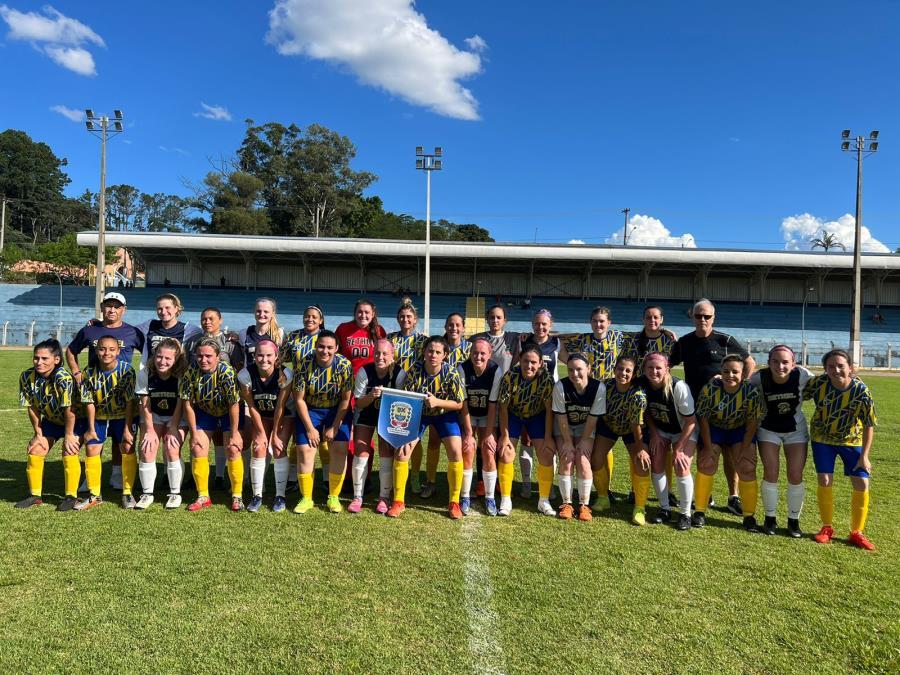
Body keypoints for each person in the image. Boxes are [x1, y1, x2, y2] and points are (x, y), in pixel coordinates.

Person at [669, 298, 755, 516]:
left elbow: (750, 362)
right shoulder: (684, 342)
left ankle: (733, 496)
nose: (703, 320)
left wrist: (738, 387)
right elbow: (666, 365)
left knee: (729, 453)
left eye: (707, 316)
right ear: (692, 317)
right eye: (698, 316)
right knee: (703, 449)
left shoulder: (725, 340)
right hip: (696, 407)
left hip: (727, 409)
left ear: (713, 318)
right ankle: (705, 494)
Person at [66, 291, 145, 491]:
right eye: (108, 306)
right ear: (102, 308)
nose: (112, 310)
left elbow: (148, 354)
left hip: (122, 393)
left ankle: (117, 475)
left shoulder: (133, 332)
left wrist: (144, 377)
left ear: (123, 310)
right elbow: (71, 349)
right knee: (93, 437)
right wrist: (76, 371)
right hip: (94, 393)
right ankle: (90, 478)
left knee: (122, 438)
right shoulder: (90, 330)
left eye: (116, 306)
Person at [804, 349, 877, 550]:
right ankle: (826, 528)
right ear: (825, 369)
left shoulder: (861, 390)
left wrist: (865, 457)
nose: (836, 370)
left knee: (862, 482)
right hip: (822, 439)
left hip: (851, 441)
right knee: (825, 479)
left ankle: (857, 532)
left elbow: (869, 424)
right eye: (831, 367)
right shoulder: (819, 384)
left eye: (840, 366)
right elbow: (797, 393)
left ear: (850, 367)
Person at [391, 336, 467, 519]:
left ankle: (454, 502)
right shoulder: (415, 370)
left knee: (456, 451)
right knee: (402, 452)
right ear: (424, 352)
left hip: (444, 414)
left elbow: (458, 403)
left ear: (445, 355)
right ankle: (398, 501)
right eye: (430, 351)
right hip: (419, 414)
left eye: (438, 352)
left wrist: (437, 402)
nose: (433, 355)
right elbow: (408, 399)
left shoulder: (451, 373)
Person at [559, 306, 626, 502]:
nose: (598, 324)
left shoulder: (618, 338)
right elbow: (558, 340)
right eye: (595, 321)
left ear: (609, 323)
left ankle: (607, 487)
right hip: (589, 395)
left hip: (611, 396)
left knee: (605, 444)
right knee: (594, 441)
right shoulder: (583, 339)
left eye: (602, 321)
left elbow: (646, 334)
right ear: (590, 322)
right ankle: (599, 488)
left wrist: (665, 331)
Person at [694, 354, 765, 531]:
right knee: (706, 463)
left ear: (743, 374)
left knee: (746, 466)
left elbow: (751, 424)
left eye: (735, 372)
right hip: (715, 429)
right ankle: (700, 512)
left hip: (739, 431)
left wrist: (744, 450)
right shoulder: (711, 388)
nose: (730, 375)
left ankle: (749, 516)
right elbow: (702, 418)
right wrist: (708, 448)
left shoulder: (750, 392)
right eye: (726, 371)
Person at [749, 345, 814, 537]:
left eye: (785, 362)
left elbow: (825, 384)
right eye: (775, 361)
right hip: (768, 429)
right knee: (771, 472)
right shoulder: (759, 378)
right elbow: (739, 385)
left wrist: (851, 379)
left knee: (795, 474)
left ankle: (794, 521)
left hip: (795, 430)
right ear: (768, 363)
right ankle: (770, 518)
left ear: (793, 364)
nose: (780, 366)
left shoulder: (803, 375)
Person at [15, 339, 82, 511]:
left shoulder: (64, 378)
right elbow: (32, 407)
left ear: (57, 360)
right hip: (51, 422)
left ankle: (71, 497)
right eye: (36, 358)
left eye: (45, 359)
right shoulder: (26, 377)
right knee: (36, 450)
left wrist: (69, 435)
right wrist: (38, 434)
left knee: (69, 450)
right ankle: (35, 496)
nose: (39, 362)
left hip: (74, 421)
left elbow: (70, 410)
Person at [292, 330, 354, 514]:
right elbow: (299, 400)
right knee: (305, 449)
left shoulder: (344, 365)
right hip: (311, 409)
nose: (324, 351)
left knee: (339, 447)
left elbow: (345, 399)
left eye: (329, 347)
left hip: (337, 409)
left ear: (336, 349)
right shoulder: (304, 365)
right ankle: (306, 498)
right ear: (315, 346)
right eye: (321, 346)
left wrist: (335, 427)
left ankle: (333, 497)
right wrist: (311, 429)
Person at [180, 338, 243, 512]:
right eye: (200, 356)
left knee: (233, 447)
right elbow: (187, 404)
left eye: (208, 356)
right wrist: (194, 433)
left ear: (218, 357)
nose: (204, 360)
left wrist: (235, 432)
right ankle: (203, 496)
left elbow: (234, 404)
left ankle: (237, 495)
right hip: (205, 411)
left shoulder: (227, 372)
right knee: (198, 447)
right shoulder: (191, 371)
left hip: (228, 412)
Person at [185, 307, 244, 489]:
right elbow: (190, 368)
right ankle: (209, 482)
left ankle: (223, 476)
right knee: (202, 442)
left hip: (228, 400)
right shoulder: (194, 342)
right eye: (204, 319)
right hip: (204, 401)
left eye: (211, 318)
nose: (207, 322)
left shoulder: (230, 341)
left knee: (226, 440)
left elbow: (239, 369)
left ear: (220, 319)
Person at [75, 335, 137, 510]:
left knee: (127, 446)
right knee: (92, 447)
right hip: (100, 416)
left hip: (122, 415)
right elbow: (90, 403)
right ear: (96, 351)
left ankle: (127, 492)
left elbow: (130, 402)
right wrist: (91, 428)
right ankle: (94, 494)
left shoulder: (127, 371)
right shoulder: (89, 372)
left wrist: (127, 428)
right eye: (102, 349)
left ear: (118, 351)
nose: (106, 353)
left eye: (111, 349)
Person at [639, 352, 698, 530]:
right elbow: (646, 412)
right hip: (662, 430)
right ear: (644, 369)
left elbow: (691, 421)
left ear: (667, 369)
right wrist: (655, 434)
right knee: (657, 463)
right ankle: (664, 508)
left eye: (658, 368)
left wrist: (679, 448)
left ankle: (685, 513)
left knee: (681, 465)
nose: (654, 371)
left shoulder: (678, 386)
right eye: (650, 367)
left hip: (684, 430)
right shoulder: (643, 384)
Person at [497, 345, 555, 516]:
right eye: (525, 361)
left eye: (533, 362)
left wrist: (548, 436)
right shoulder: (510, 377)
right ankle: (506, 499)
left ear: (540, 363)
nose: (529, 366)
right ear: (520, 361)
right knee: (506, 452)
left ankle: (543, 500)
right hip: (514, 415)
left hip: (537, 416)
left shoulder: (546, 379)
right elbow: (503, 408)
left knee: (545, 452)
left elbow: (549, 410)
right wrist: (505, 436)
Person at [336, 299, 387, 494]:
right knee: (347, 434)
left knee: (366, 436)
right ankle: (348, 477)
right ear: (354, 312)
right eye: (359, 312)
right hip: (347, 388)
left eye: (367, 312)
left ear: (373, 314)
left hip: (370, 389)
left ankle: (364, 478)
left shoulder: (379, 332)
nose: (363, 315)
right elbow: (336, 355)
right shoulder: (343, 329)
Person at [591, 355, 649, 525]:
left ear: (634, 373)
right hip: (609, 425)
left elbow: (636, 423)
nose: (623, 373)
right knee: (596, 459)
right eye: (620, 369)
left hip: (632, 429)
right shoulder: (606, 385)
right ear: (614, 369)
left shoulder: (638, 394)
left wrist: (640, 448)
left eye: (628, 370)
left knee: (641, 461)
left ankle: (640, 508)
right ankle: (603, 497)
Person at [238, 339, 294, 513]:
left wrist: (275, 434)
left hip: (284, 415)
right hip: (261, 414)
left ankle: (280, 496)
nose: (264, 359)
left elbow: (281, 406)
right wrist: (262, 434)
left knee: (278, 448)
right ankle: (257, 495)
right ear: (254, 356)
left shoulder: (285, 374)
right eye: (260, 355)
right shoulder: (245, 375)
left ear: (276, 356)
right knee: (258, 447)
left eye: (269, 355)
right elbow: (251, 405)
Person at [419, 313, 470, 500]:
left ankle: (466, 488)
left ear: (463, 327)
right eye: (450, 324)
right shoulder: (436, 345)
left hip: (460, 403)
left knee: (465, 445)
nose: (454, 328)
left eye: (457, 325)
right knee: (433, 441)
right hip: (432, 405)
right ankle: (430, 482)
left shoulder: (469, 348)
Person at [135, 338, 189, 510]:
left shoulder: (181, 375)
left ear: (176, 360)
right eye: (159, 357)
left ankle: (175, 494)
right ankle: (147, 493)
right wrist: (149, 430)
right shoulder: (146, 373)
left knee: (172, 447)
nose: (162, 361)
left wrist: (173, 427)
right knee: (147, 447)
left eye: (167, 358)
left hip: (177, 416)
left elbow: (181, 403)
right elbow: (145, 404)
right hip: (154, 415)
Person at [552, 353, 605, 521]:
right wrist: (567, 441)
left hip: (586, 428)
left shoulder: (598, 388)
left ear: (588, 369)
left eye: (579, 369)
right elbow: (560, 417)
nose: (575, 374)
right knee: (567, 458)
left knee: (583, 459)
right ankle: (566, 504)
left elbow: (592, 418)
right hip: (564, 426)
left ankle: (584, 504)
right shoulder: (561, 386)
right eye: (570, 370)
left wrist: (583, 440)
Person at [352, 339, 402, 513]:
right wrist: (372, 396)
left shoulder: (399, 374)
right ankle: (357, 496)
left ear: (392, 355)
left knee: (386, 451)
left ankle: (383, 497)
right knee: (361, 449)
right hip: (366, 412)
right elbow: (359, 403)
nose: (380, 357)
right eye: (377, 353)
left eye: (385, 353)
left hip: (388, 416)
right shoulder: (364, 371)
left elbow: (401, 403)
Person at [279, 304, 325, 490]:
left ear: (321, 320)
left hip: (319, 393)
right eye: (307, 316)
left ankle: (326, 480)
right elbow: (280, 359)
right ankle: (293, 479)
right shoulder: (293, 337)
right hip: (296, 391)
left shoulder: (325, 337)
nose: (310, 319)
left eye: (314, 316)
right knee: (298, 437)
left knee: (320, 438)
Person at [459, 336, 503, 514]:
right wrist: (469, 433)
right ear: (470, 353)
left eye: (483, 353)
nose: (478, 356)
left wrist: (490, 433)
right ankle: (464, 495)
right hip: (468, 414)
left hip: (487, 415)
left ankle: (490, 496)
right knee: (467, 449)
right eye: (475, 353)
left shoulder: (495, 371)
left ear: (490, 354)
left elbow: (493, 405)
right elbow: (464, 403)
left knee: (488, 449)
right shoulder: (462, 369)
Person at [387, 298, 427, 493]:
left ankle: (415, 475)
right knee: (395, 434)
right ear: (397, 318)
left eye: (409, 317)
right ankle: (394, 475)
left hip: (414, 393)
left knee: (414, 437)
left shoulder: (422, 340)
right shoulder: (390, 338)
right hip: (393, 392)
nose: (405, 320)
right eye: (402, 316)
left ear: (416, 319)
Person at [135, 293, 202, 368]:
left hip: (177, 377)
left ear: (176, 308)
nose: (163, 312)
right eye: (160, 309)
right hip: (150, 377)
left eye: (167, 308)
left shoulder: (188, 329)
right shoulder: (149, 325)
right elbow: (128, 331)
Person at [238, 297, 285, 362]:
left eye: (266, 311)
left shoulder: (280, 334)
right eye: (258, 311)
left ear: (273, 314)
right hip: (249, 372)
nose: (261, 314)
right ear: (254, 312)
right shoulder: (244, 333)